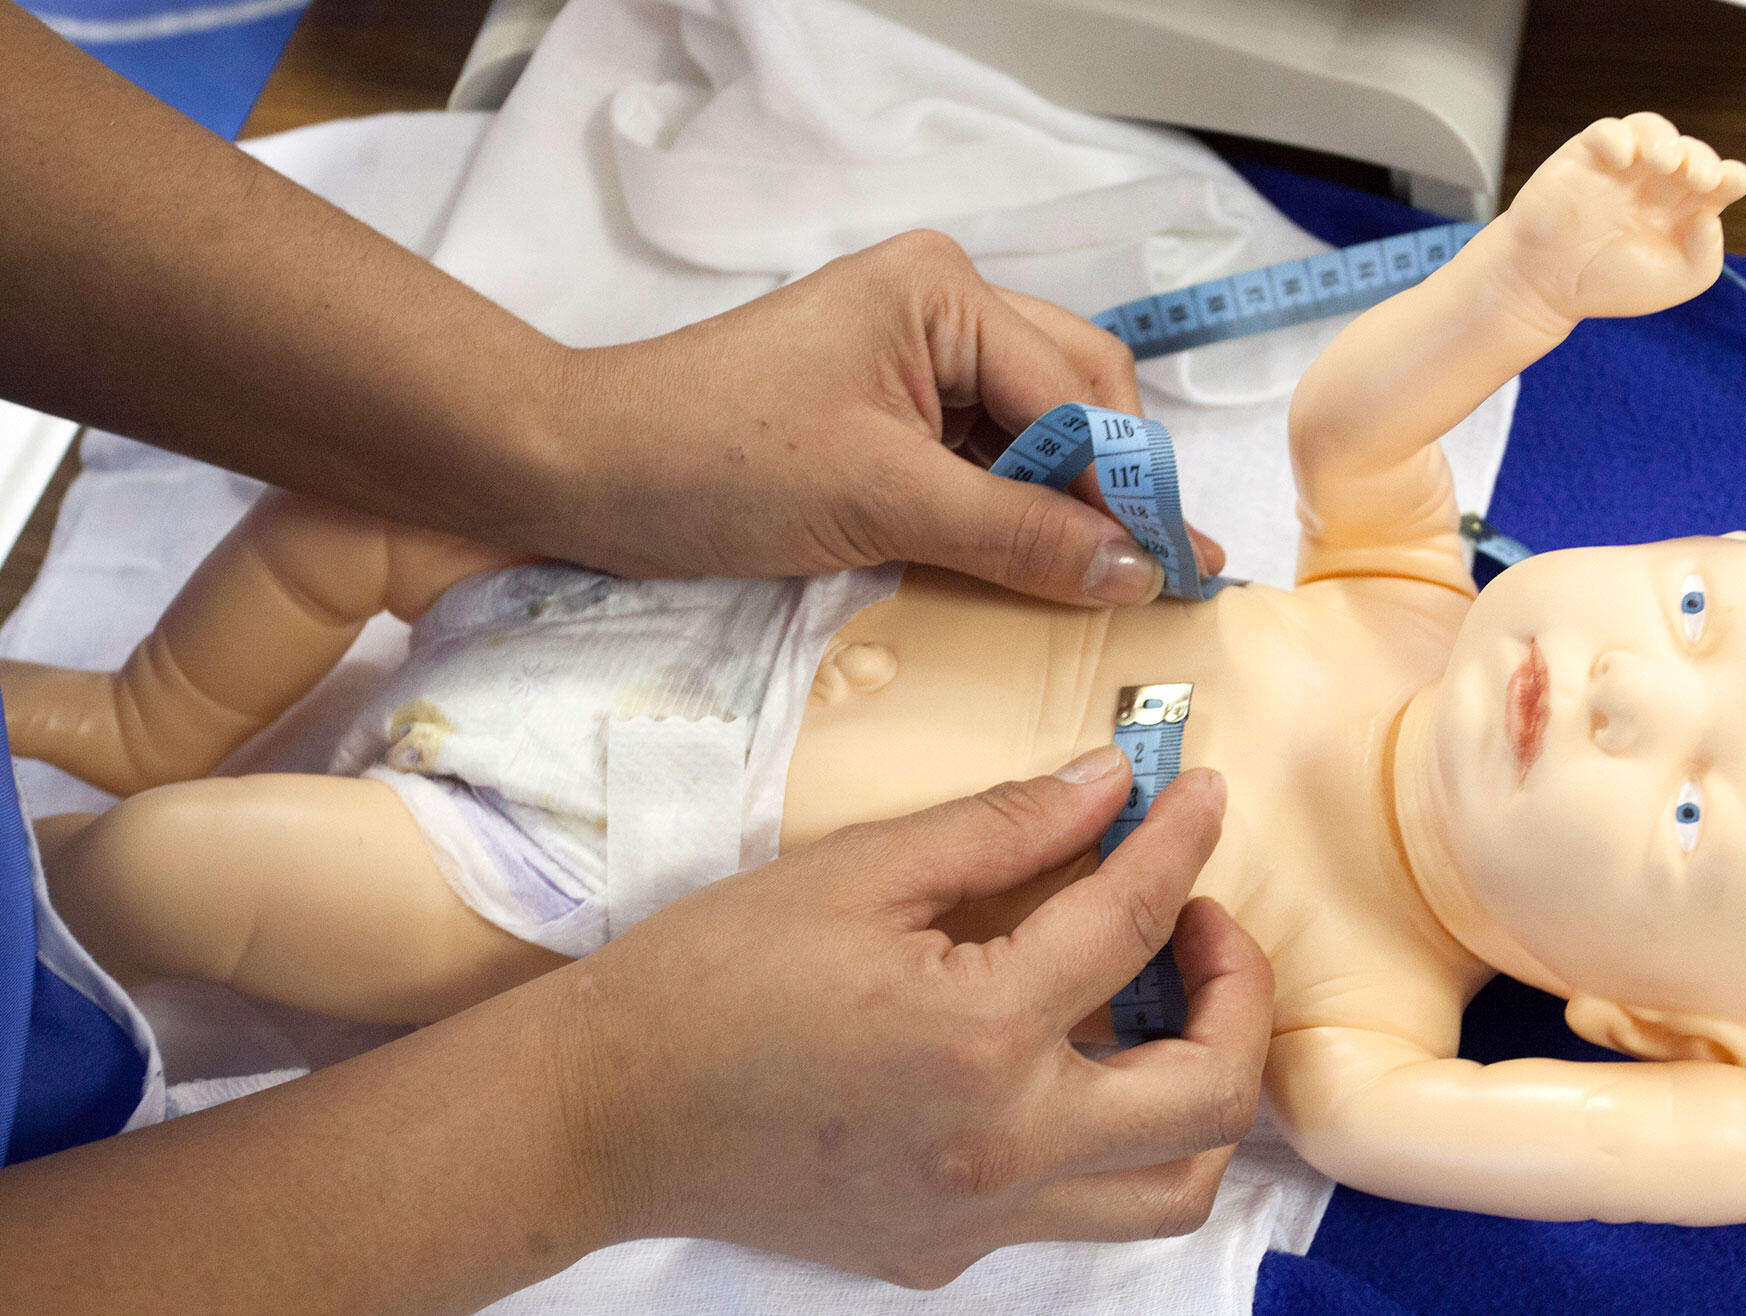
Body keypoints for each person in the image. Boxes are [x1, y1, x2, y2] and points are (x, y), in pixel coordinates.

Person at [0, 2, 1271, 1309]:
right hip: (697, 629)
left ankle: (92, 849)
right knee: (351, 537)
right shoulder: (1412, 598)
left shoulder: (1393, 975)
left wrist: (564, 424)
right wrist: (594, 1121)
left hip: (621, 852)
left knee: (184, 861)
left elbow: (1406, 1115)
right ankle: (134, 748)